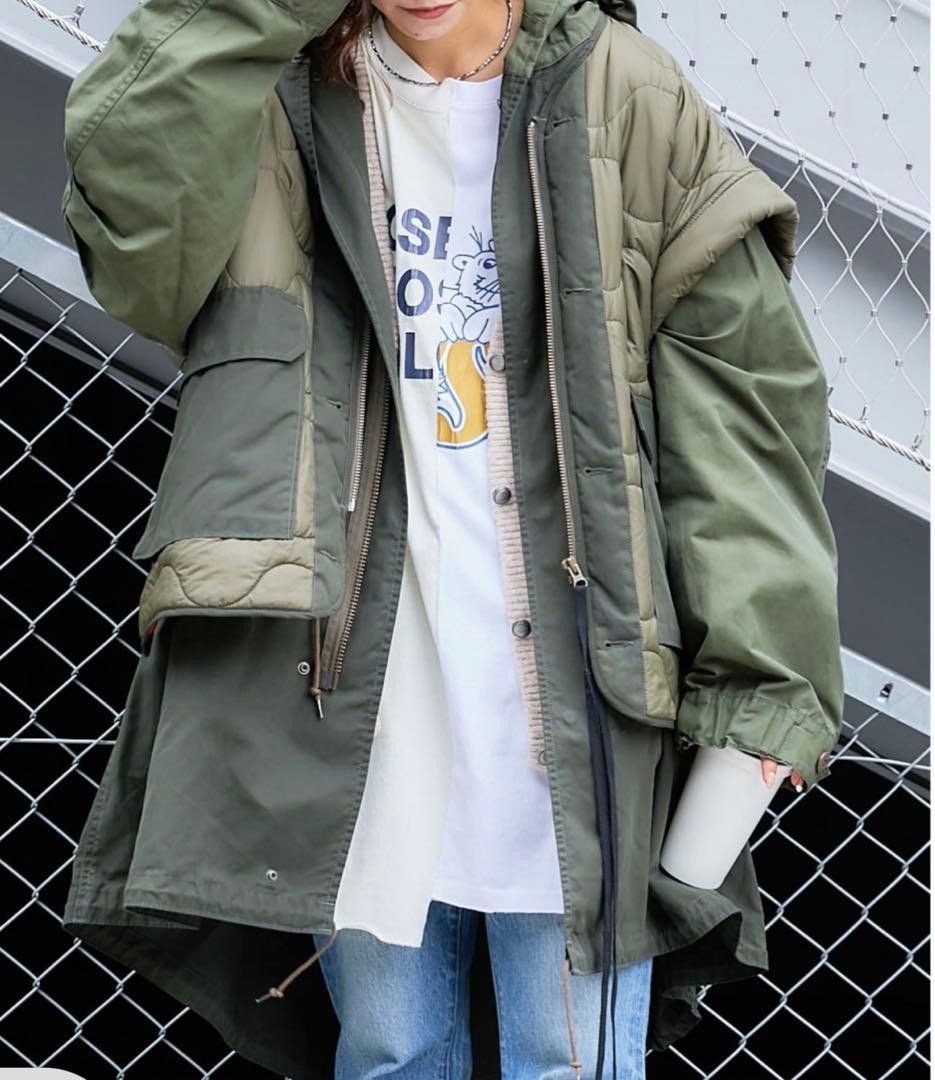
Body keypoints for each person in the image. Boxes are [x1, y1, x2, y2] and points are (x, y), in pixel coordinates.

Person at [58, 0, 844, 1076]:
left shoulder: (622, 89)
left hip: (577, 692)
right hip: (351, 694)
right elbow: (134, 241)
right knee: (391, 1049)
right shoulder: (276, 87)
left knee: (571, 1059)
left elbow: (744, 406)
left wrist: (766, 668)